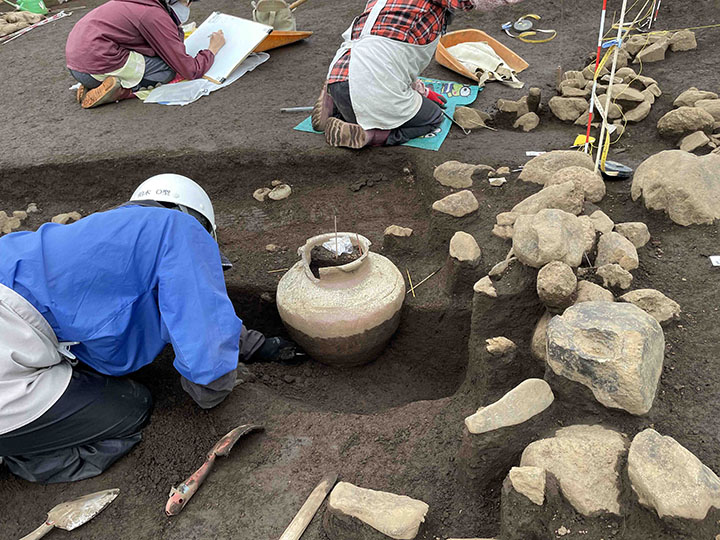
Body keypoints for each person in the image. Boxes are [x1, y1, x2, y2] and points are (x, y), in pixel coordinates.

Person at [0, 174, 298, 483]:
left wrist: (252, 344)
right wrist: (216, 392)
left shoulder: (107, 236)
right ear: (202, 226)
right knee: (130, 408)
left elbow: (187, 303)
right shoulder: (180, 231)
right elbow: (203, 345)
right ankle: (21, 455)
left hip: (14, 331)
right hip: (8, 354)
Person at [312, 0, 524, 149]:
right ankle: (369, 135)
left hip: (339, 76)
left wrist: (420, 89)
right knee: (432, 118)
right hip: (369, 84)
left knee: (366, 84)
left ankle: (333, 107)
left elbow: (393, 54)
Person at [65, 0, 226, 109]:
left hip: (78, 64)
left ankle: (96, 84)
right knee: (166, 70)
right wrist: (212, 49)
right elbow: (190, 70)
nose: (188, 6)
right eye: (187, 1)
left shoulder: (142, 4)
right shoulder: (155, 15)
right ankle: (119, 92)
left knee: (158, 59)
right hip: (95, 63)